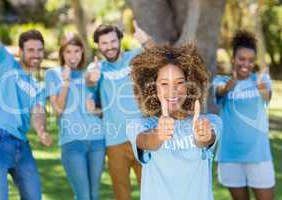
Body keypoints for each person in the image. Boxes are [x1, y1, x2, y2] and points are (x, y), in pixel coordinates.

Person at [127, 44, 222, 200]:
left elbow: (205, 140)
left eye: (179, 83)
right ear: (152, 88)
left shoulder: (210, 122)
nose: (172, 91)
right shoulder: (139, 125)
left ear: (190, 84)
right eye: (164, 84)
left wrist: (202, 135)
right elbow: (145, 141)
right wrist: (159, 134)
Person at [0, 2, 52, 200]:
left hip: (22, 146)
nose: (36, 54)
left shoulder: (38, 86)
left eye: (39, 50)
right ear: (21, 51)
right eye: (30, 50)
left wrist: (41, 131)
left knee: (34, 196)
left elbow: (38, 112)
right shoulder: (5, 61)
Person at [86, 22, 153, 200]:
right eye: (104, 43)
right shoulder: (97, 69)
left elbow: (158, 55)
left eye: (113, 41)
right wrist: (91, 80)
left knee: (151, 190)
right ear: (98, 46)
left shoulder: (135, 57)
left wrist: (146, 40)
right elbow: (89, 87)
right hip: (114, 141)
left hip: (143, 136)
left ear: (120, 40)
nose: (109, 47)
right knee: (121, 194)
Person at [212, 30, 275, 200]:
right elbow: (219, 93)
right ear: (233, 59)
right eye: (241, 59)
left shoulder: (261, 80)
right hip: (230, 156)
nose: (245, 64)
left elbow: (267, 96)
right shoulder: (221, 81)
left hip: (258, 155)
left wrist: (261, 85)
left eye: (250, 60)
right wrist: (229, 86)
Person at [45, 33, 104, 200]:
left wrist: (95, 110)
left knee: (94, 194)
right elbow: (57, 111)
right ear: (62, 53)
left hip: (97, 141)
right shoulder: (53, 74)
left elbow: (102, 111)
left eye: (76, 51)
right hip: (72, 143)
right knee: (83, 195)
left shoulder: (90, 73)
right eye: (68, 51)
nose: (72, 56)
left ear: (82, 52)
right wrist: (65, 83)